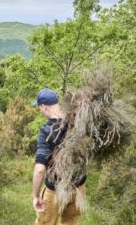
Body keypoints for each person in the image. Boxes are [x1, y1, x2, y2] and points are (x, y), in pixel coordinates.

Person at [32, 88, 86, 225]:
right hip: (78, 188)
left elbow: (40, 169)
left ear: (44, 107)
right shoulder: (78, 122)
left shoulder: (46, 131)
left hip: (55, 190)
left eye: (39, 107)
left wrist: (36, 196)